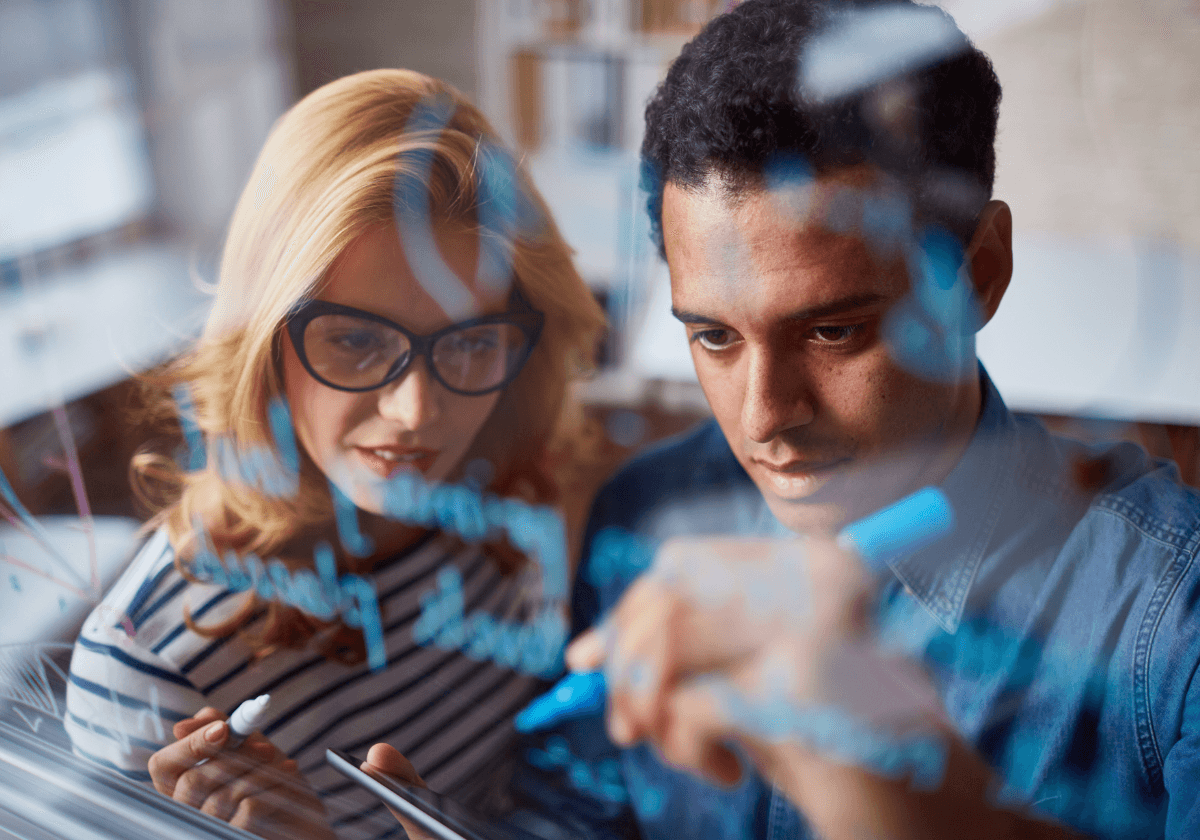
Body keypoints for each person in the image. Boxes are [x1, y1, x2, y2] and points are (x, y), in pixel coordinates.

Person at [519, 1, 1200, 838]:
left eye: (833, 331)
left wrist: (928, 811)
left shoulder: (1175, 618)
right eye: (714, 337)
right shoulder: (647, 513)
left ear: (980, 274)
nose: (765, 416)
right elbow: (581, 809)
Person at [64, 68, 605, 840]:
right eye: (356, 341)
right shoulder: (151, 669)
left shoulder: (508, 499)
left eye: (472, 341)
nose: (417, 413)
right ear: (262, 342)